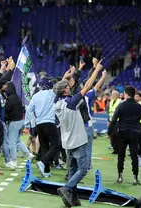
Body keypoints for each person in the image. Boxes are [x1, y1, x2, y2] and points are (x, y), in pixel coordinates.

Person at [53, 61, 103, 207]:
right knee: (83, 169)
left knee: (73, 170)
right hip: (78, 140)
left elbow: (57, 88)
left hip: (68, 142)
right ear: (65, 91)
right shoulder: (71, 102)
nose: (70, 87)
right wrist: (97, 70)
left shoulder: (57, 101)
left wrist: (65, 77)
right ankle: (67, 188)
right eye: (68, 87)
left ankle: (73, 198)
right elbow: (87, 86)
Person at [25, 77, 59, 178]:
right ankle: (43, 162)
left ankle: (46, 171)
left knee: (45, 147)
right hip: (49, 122)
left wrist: (29, 123)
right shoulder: (51, 93)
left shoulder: (35, 96)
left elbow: (29, 110)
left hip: (39, 124)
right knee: (55, 146)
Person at [109, 86, 141, 186]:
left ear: (126, 94)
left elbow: (114, 119)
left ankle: (120, 176)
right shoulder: (139, 107)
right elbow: (138, 119)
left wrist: (110, 131)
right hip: (135, 132)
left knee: (121, 156)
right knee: (134, 156)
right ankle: (135, 178)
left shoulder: (121, 105)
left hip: (122, 132)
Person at [4, 81, 34, 169]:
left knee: (12, 143)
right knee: (17, 140)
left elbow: (7, 111)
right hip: (21, 121)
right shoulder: (17, 97)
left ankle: (13, 161)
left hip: (14, 122)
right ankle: (28, 154)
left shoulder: (10, 99)